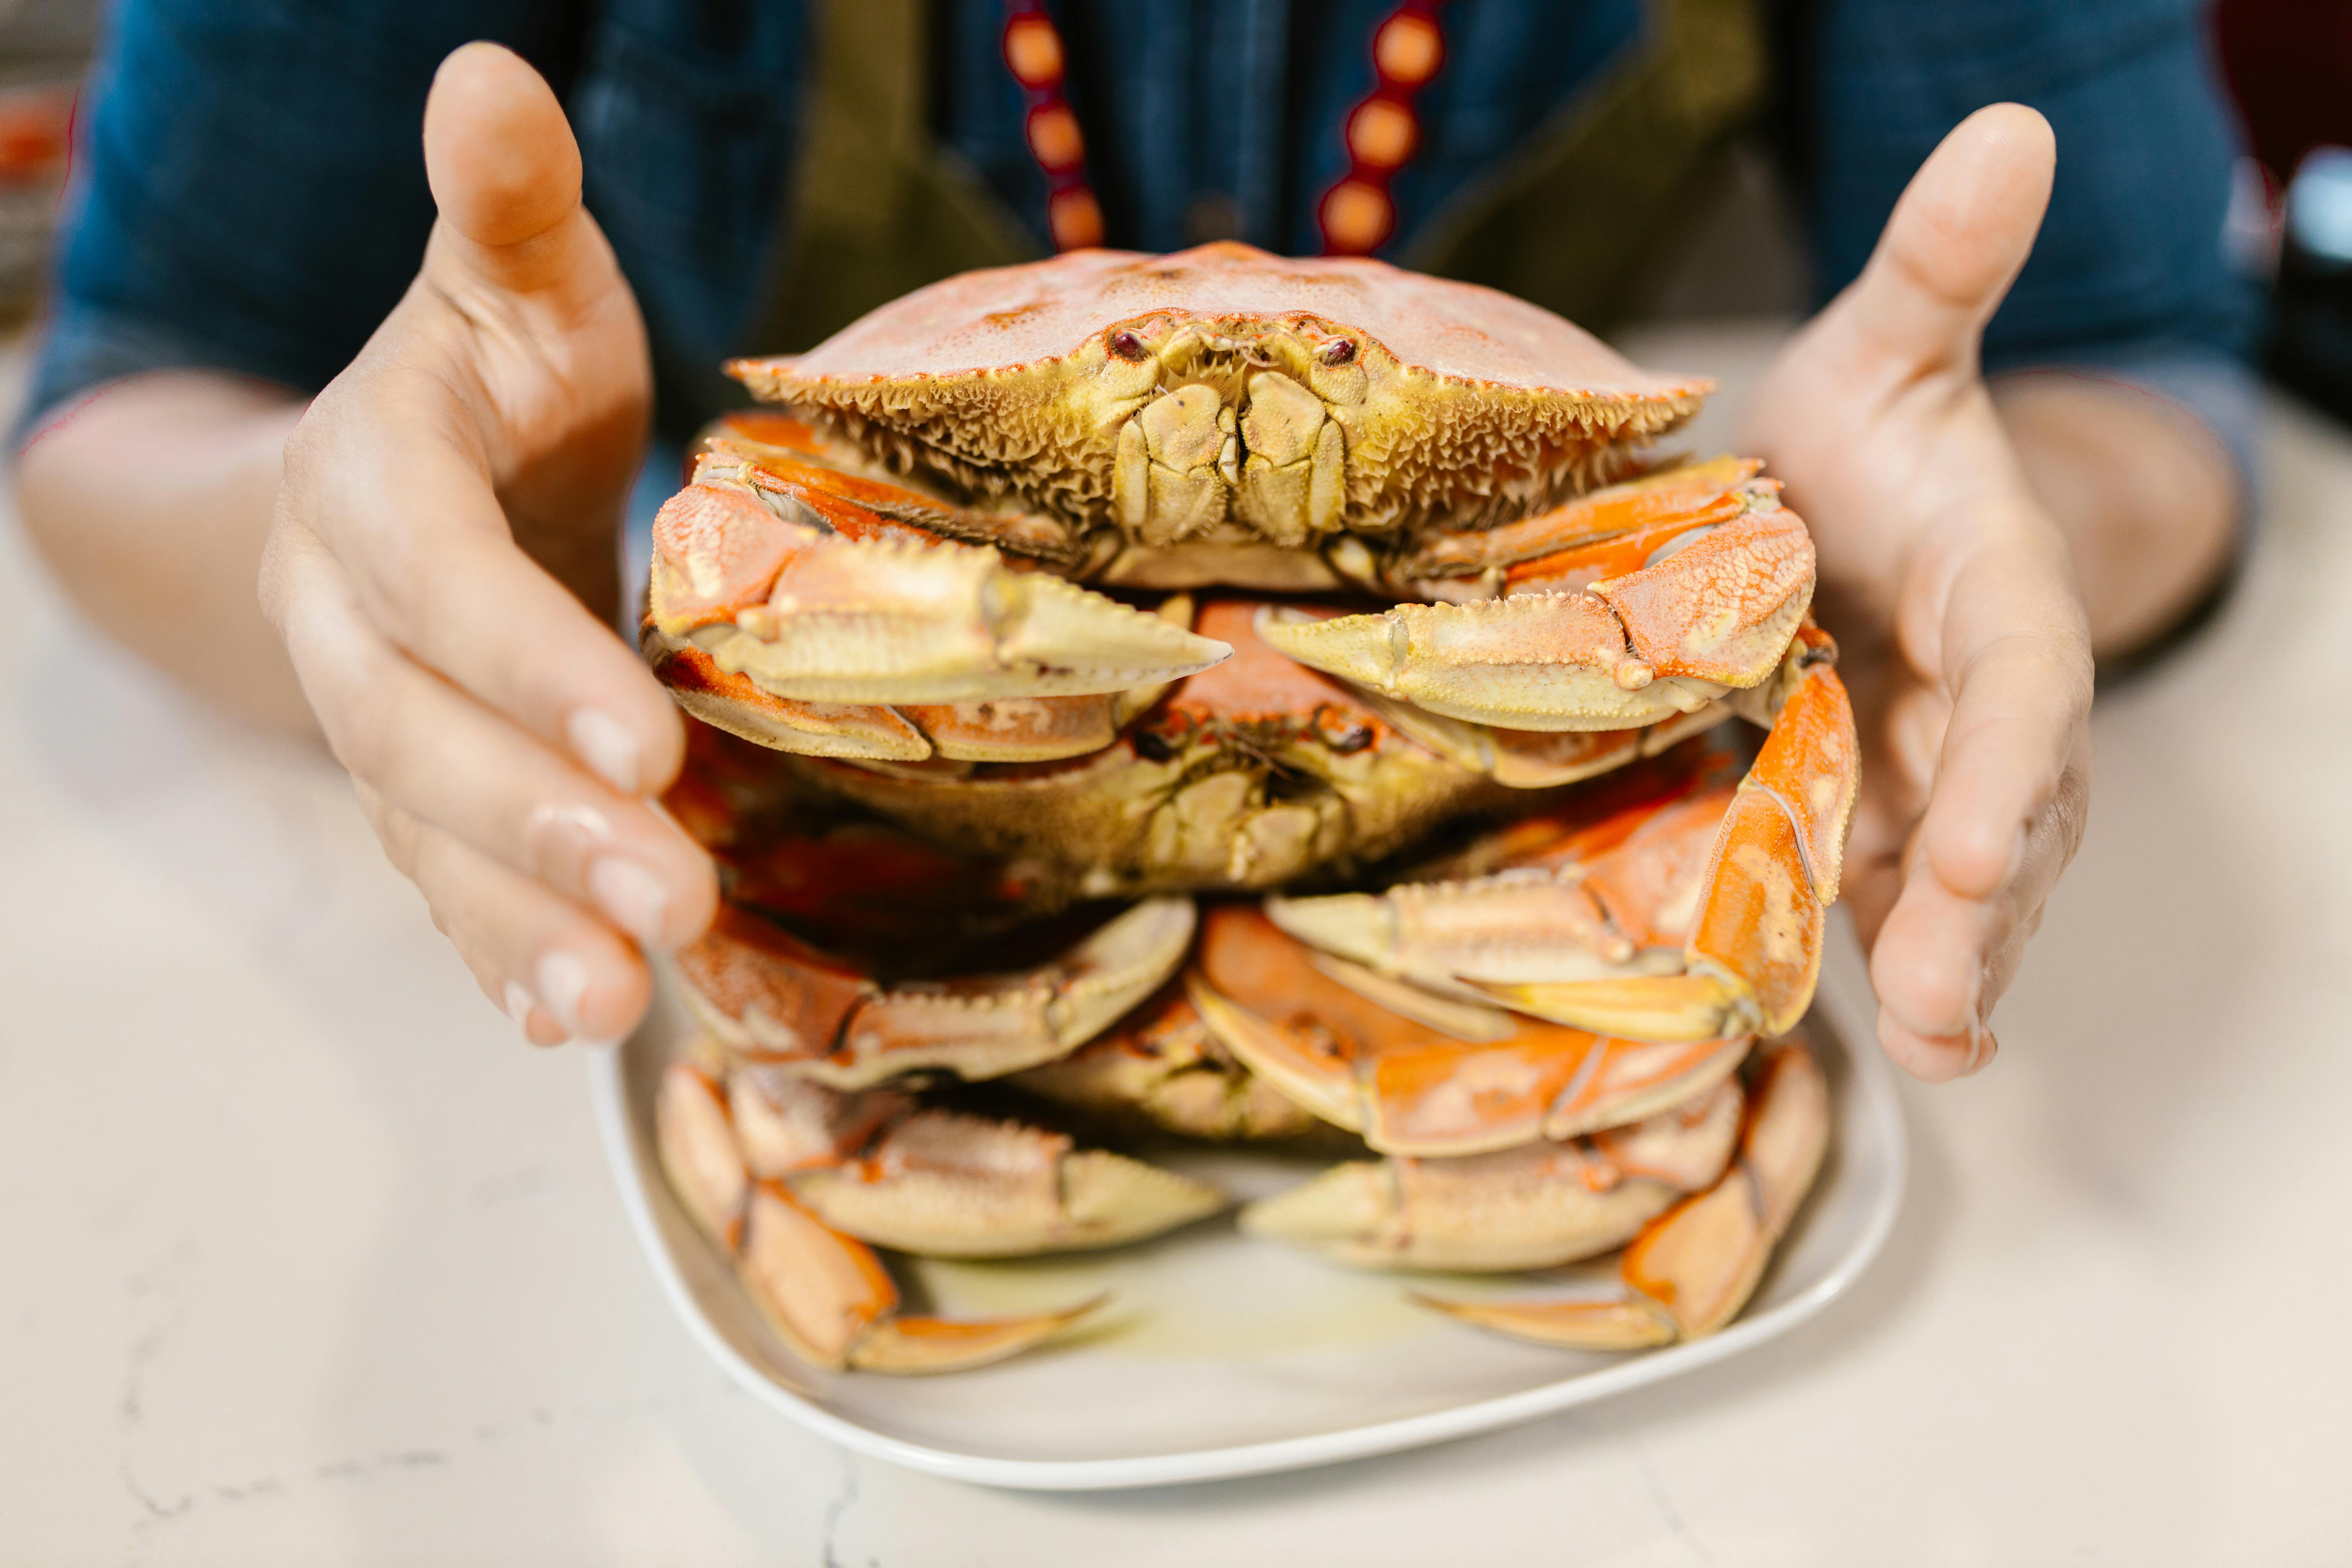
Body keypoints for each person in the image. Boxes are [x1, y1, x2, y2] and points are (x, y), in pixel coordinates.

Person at [13, 3, 2254, 1081]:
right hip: (833, 814)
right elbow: (134, 378)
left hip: (1529, 858)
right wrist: (412, 579)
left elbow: (2140, 350)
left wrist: (1914, 555)